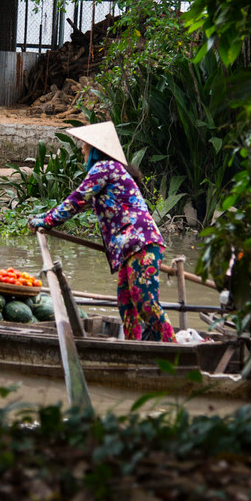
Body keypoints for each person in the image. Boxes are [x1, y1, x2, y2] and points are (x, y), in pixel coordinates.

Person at [27, 122, 176, 343]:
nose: (82, 151)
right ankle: (133, 347)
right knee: (126, 303)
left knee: (145, 302)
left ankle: (173, 348)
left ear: (95, 150)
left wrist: (46, 221)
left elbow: (76, 200)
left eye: (84, 147)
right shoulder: (111, 171)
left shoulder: (105, 168)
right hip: (130, 248)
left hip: (140, 243)